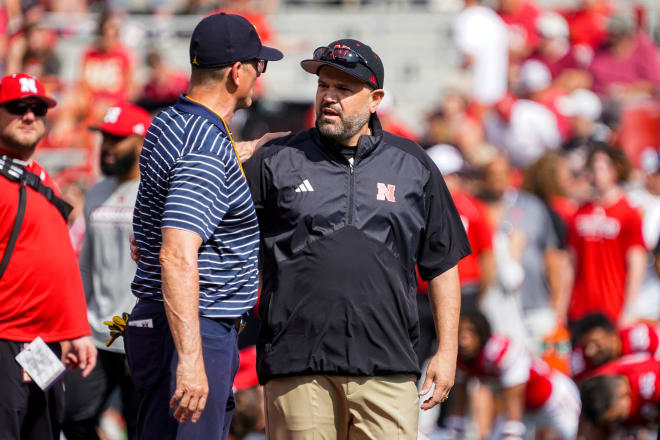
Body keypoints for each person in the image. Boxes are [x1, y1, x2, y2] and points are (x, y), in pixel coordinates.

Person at [244, 39, 471, 439]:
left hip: (388, 366)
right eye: (323, 86)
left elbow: (442, 265)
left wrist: (447, 350)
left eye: (343, 89)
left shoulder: (413, 163)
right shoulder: (276, 159)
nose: (329, 97)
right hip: (298, 365)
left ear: (375, 99)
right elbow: (232, 240)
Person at [125, 13, 283, 440]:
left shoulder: (171, 120)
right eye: (258, 65)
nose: (259, 75)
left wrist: (249, 150)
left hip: (162, 325)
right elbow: (176, 254)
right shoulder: (207, 148)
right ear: (237, 72)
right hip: (193, 328)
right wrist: (192, 362)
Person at [0, 72, 97, 439]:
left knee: (46, 430)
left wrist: (74, 330)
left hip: (43, 344)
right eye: (17, 107)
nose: (29, 116)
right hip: (4, 339)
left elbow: (60, 263)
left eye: (38, 109)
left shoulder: (39, 175)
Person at [61, 102, 152, 440]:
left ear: (142, 143)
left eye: (118, 139)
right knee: (72, 418)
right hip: (95, 333)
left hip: (139, 334)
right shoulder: (96, 191)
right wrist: (75, 325)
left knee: (141, 427)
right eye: (105, 138)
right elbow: (86, 263)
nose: (108, 148)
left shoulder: (155, 192)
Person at [448, 309, 581, 439]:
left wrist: (513, 433)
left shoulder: (501, 353)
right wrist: (454, 432)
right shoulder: (462, 358)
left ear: (482, 332)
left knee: (577, 436)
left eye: (470, 331)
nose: (464, 339)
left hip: (554, 401)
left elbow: (514, 400)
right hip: (527, 409)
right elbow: (459, 399)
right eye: (460, 332)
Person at [567, 144, 647, 325]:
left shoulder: (628, 213)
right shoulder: (580, 213)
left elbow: (636, 262)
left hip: (613, 307)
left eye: (602, 168)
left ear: (615, 170)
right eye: (593, 168)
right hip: (581, 308)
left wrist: (629, 307)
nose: (596, 173)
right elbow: (571, 262)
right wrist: (563, 306)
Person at [578, 355, 660, 439]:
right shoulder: (616, 378)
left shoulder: (652, 388)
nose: (614, 424)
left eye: (618, 417)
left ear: (622, 394)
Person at [571, 313, 660, 381]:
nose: (589, 352)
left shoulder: (640, 337)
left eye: (595, 343)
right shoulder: (582, 363)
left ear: (613, 335)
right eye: (586, 346)